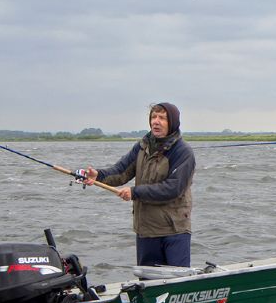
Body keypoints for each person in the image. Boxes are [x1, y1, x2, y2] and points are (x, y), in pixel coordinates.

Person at [83, 103, 195, 267]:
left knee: (177, 284)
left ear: (173, 122)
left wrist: (135, 192)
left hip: (174, 231)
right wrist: (98, 176)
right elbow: (121, 171)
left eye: (162, 118)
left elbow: (173, 189)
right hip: (146, 230)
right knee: (148, 284)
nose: (155, 122)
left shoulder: (183, 151)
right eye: (153, 117)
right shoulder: (142, 147)